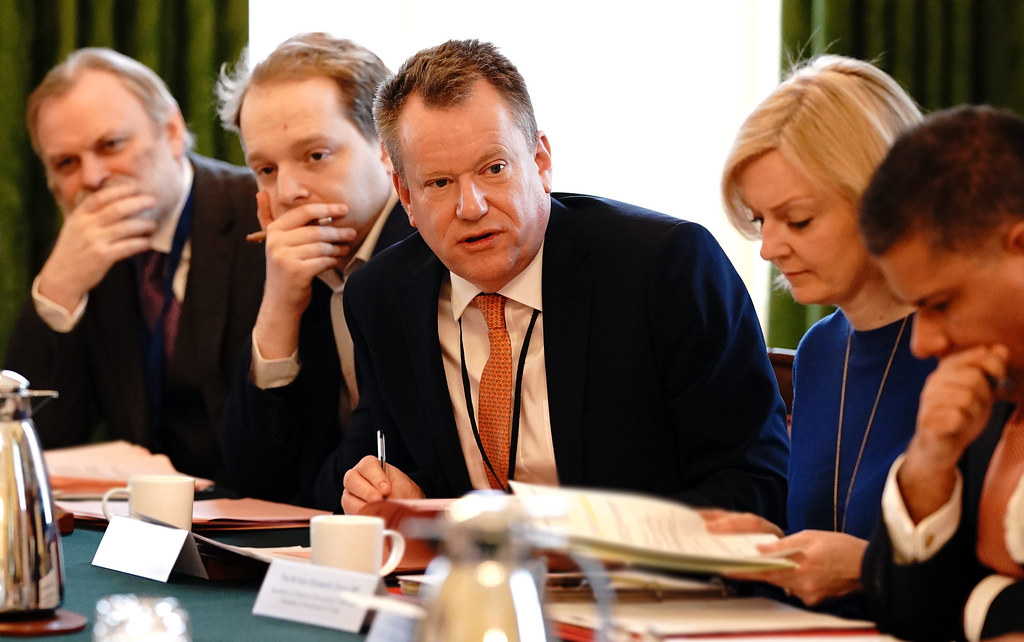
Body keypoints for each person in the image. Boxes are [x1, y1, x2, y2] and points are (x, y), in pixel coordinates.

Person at [323, 39, 789, 520]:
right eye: (439, 183)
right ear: (405, 195)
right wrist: (394, 496)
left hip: (643, 585)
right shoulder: (381, 298)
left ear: (541, 162)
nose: (472, 206)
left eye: (494, 168)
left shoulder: (663, 268)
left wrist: (581, 544)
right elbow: (410, 475)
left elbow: (756, 483)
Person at [713, 55, 936, 613]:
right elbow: (824, 556)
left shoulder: (972, 344)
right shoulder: (821, 349)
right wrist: (763, 547)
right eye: (762, 220)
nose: (769, 248)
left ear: (882, 199)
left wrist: (865, 570)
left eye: (799, 220)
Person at [3, 48, 264, 481]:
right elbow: (36, 439)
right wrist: (58, 290)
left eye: (110, 145)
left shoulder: (255, 212)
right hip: (141, 522)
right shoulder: (79, 251)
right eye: (66, 163)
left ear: (172, 131)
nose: (91, 178)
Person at [215, 33, 414, 508]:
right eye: (265, 169)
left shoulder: (424, 256)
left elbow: (362, 466)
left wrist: (298, 492)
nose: (288, 192)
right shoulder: (288, 258)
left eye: (315, 156)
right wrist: (280, 304)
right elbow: (251, 476)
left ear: (387, 148)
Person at [859, 105, 1024, 641]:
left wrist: (986, 606)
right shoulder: (989, 394)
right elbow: (904, 617)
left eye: (941, 304)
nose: (923, 343)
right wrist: (930, 463)